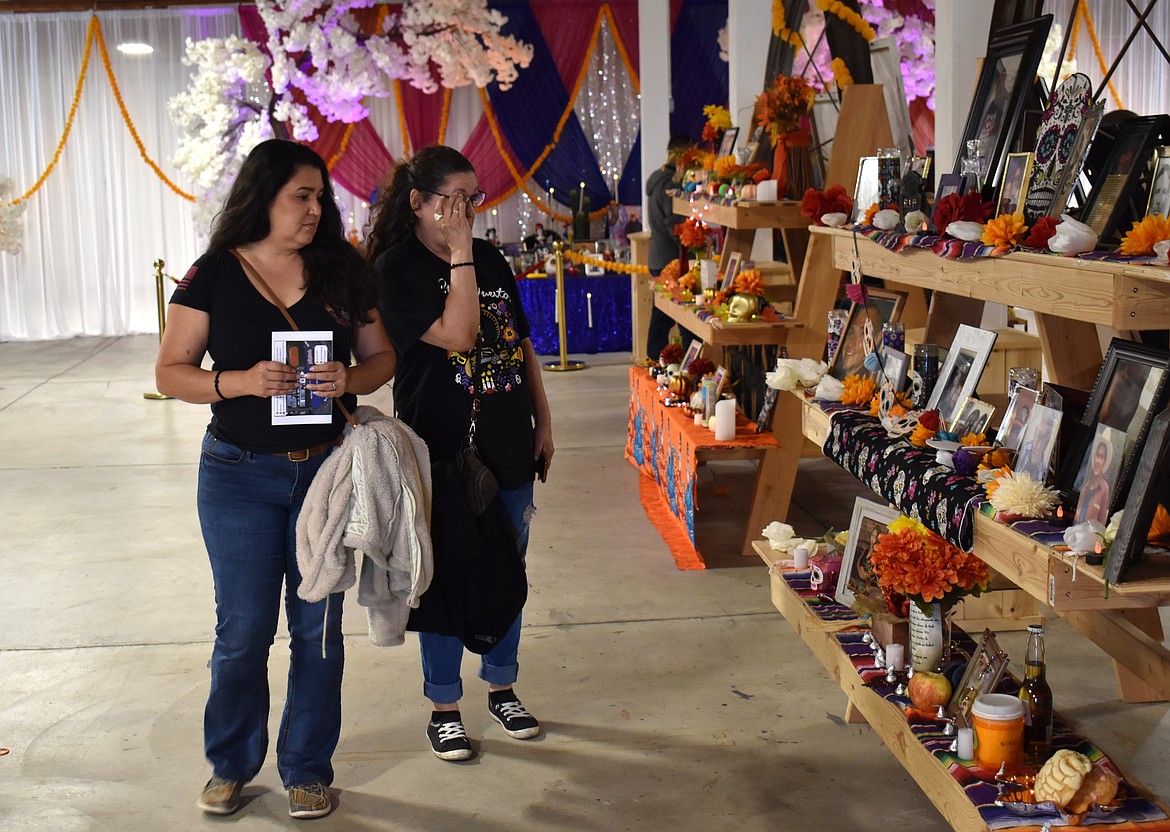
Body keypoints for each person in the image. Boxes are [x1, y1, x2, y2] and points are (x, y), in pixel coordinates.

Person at [155, 140, 396, 819]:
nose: (317, 209)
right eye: (303, 196)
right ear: (263, 196)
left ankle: (307, 768)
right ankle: (230, 763)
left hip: (326, 472)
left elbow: (382, 359)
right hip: (236, 476)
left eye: (321, 197)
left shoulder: (341, 270)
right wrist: (238, 382)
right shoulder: (214, 275)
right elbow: (170, 371)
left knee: (318, 628)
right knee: (243, 630)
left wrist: (350, 377)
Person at [365, 145, 554, 762]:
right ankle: (444, 705)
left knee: (509, 571)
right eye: (453, 199)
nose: (467, 211)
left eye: (474, 198)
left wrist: (543, 422)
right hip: (439, 449)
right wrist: (460, 251)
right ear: (418, 203)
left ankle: (503, 685)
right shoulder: (397, 269)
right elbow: (459, 335)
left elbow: (519, 345)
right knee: (442, 579)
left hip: (506, 439)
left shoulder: (492, 258)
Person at [646, 135, 697, 361]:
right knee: (684, 316)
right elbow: (673, 225)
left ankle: (657, 358)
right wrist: (693, 244)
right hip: (672, 259)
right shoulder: (668, 185)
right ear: (680, 156)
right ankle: (689, 361)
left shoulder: (656, 179)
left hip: (658, 256)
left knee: (663, 313)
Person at [1075, 430, 1117, 525]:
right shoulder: (1087, 483)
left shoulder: (1104, 488)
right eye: (1097, 456)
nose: (1098, 461)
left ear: (1105, 461)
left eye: (1101, 457)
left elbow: (1101, 519)